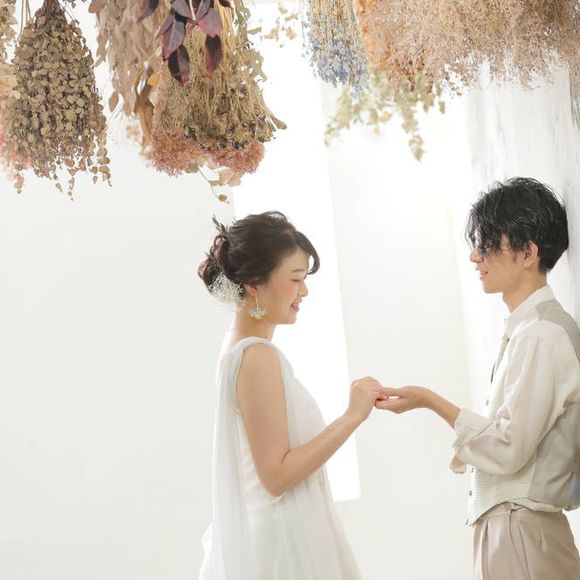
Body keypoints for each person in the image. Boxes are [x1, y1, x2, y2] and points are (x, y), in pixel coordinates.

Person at [377, 178, 580, 579]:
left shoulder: (543, 334)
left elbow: (510, 447)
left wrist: (431, 402)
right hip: (511, 528)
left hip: (522, 530)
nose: (474, 256)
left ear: (527, 253)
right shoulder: (527, 331)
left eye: (487, 244)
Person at [197, 211, 383, 579]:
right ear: (254, 283)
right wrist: (352, 416)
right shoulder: (255, 355)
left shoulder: (239, 348)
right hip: (281, 546)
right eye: (296, 279)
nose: (304, 291)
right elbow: (276, 476)